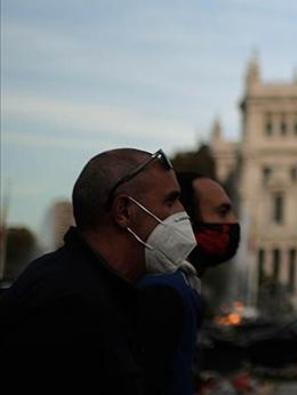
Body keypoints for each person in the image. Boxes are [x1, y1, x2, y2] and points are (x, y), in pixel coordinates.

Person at [0, 148, 193, 394]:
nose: (182, 213)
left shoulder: (96, 288)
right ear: (123, 211)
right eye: (170, 200)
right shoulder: (69, 304)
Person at [138, 172, 240, 395]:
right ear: (185, 218)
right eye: (222, 212)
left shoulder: (184, 282)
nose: (232, 223)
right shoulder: (164, 290)